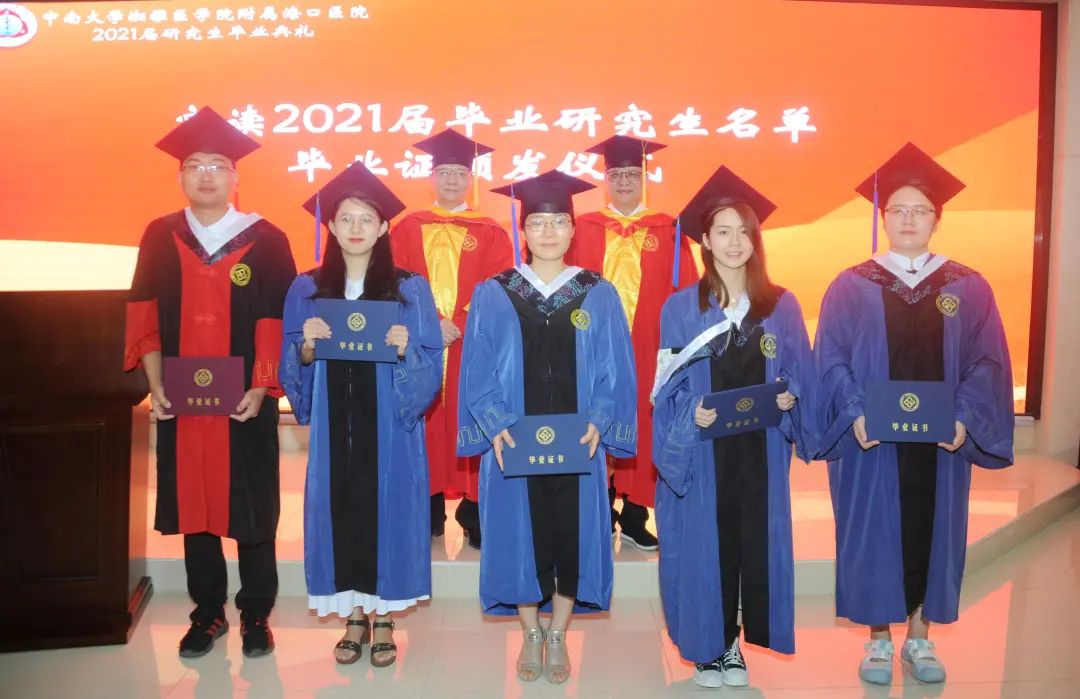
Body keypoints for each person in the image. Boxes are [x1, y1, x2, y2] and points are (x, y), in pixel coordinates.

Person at [814, 143, 1014, 685]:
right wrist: (853, 412)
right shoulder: (851, 284)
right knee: (872, 531)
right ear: (883, 217)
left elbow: (987, 359)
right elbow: (829, 355)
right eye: (898, 210)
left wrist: (964, 418)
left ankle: (920, 636)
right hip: (872, 440)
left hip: (941, 442)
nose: (908, 220)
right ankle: (879, 640)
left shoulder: (967, 285)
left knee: (934, 530)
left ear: (936, 219)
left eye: (920, 211)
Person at [124, 107, 296, 658]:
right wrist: (156, 386)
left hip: (246, 397)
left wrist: (261, 387)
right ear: (180, 175)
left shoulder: (267, 238)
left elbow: (276, 318)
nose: (206, 175)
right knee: (193, 504)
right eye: (194, 165)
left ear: (235, 176)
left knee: (252, 503)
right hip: (182, 399)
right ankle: (208, 613)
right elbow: (144, 311)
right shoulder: (160, 234)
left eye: (217, 165)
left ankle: (256, 613)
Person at [458, 170, 637, 684]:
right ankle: (530, 631)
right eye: (538, 222)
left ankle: (557, 632)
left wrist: (601, 419)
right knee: (519, 532)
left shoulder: (597, 292)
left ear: (573, 229)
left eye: (559, 222)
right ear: (523, 231)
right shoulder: (494, 292)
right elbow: (478, 365)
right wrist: (493, 423)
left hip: (579, 440)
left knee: (569, 533)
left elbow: (614, 367)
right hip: (513, 438)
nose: (549, 231)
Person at [652, 166, 814, 688]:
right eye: (722, 231)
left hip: (761, 449)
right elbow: (666, 388)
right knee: (708, 544)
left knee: (752, 543)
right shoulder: (681, 308)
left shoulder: (781, 305)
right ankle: (710, 645)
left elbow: (801, 371)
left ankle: (736, 643)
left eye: (744, 231)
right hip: (705, 452)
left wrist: (790, 395)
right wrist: (689, 415)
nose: (735, 242)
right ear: (704, 241)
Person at [280, 163, 442, 667]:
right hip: (336, 429)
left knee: (386, 507)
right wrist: (306, 349)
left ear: (384, 226)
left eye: (366, 219)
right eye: (346, 218)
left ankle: (385, 616)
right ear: (330, 226)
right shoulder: (306, 289)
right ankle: (354, 614)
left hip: (389, 428)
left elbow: (430, 363)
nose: (355, 228)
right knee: (342, 506)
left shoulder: (409, 288)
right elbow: (293, 363)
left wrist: (406, 349)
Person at [565, 135, 698, 550]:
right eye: (616, 174)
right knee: (597, 414)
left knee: (645, 421)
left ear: (644, 177)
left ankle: (637, 514)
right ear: (605, 178)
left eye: (631, 174)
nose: (623, 181)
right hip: (593, 346)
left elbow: (688, 292)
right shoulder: (584, 227)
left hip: (650, 347)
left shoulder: (670, 229)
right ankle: (601, 510)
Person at [390, 128, 514, 546]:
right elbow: (394, 284)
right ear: (431, 176)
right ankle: (427, 509)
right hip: (420, 346)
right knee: (424, 421)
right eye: (444, 172)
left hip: (470, 343)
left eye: (459, 173)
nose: (451, 180)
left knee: (471, 416)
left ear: (470, 178)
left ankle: (474, 509)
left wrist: (458, 321)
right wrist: (430, 326)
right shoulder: (407, 228)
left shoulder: (490, 231)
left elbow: (498, 286)